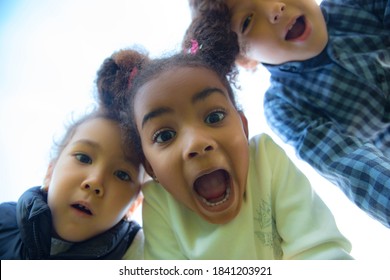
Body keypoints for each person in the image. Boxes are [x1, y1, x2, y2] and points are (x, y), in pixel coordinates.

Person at [98, 43, 353, 259]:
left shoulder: (265, 160)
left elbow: (320, 250)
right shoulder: (160, 203)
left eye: (214, 116)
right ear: (151, 167)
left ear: (243, 127)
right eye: (165, 135)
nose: (196, 143)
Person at [185, 0, 390, 228]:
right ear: (244, 58)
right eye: (248, 21)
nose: (275, 9)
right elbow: (353, 165)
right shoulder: (283, 107)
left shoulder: (354, 6)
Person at [0, 83, 144, 259]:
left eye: (122, 174)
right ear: (50, 172)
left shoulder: (140, 254)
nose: (94, 182)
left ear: (134, 204)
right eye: (83, 158)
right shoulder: (3, 222)